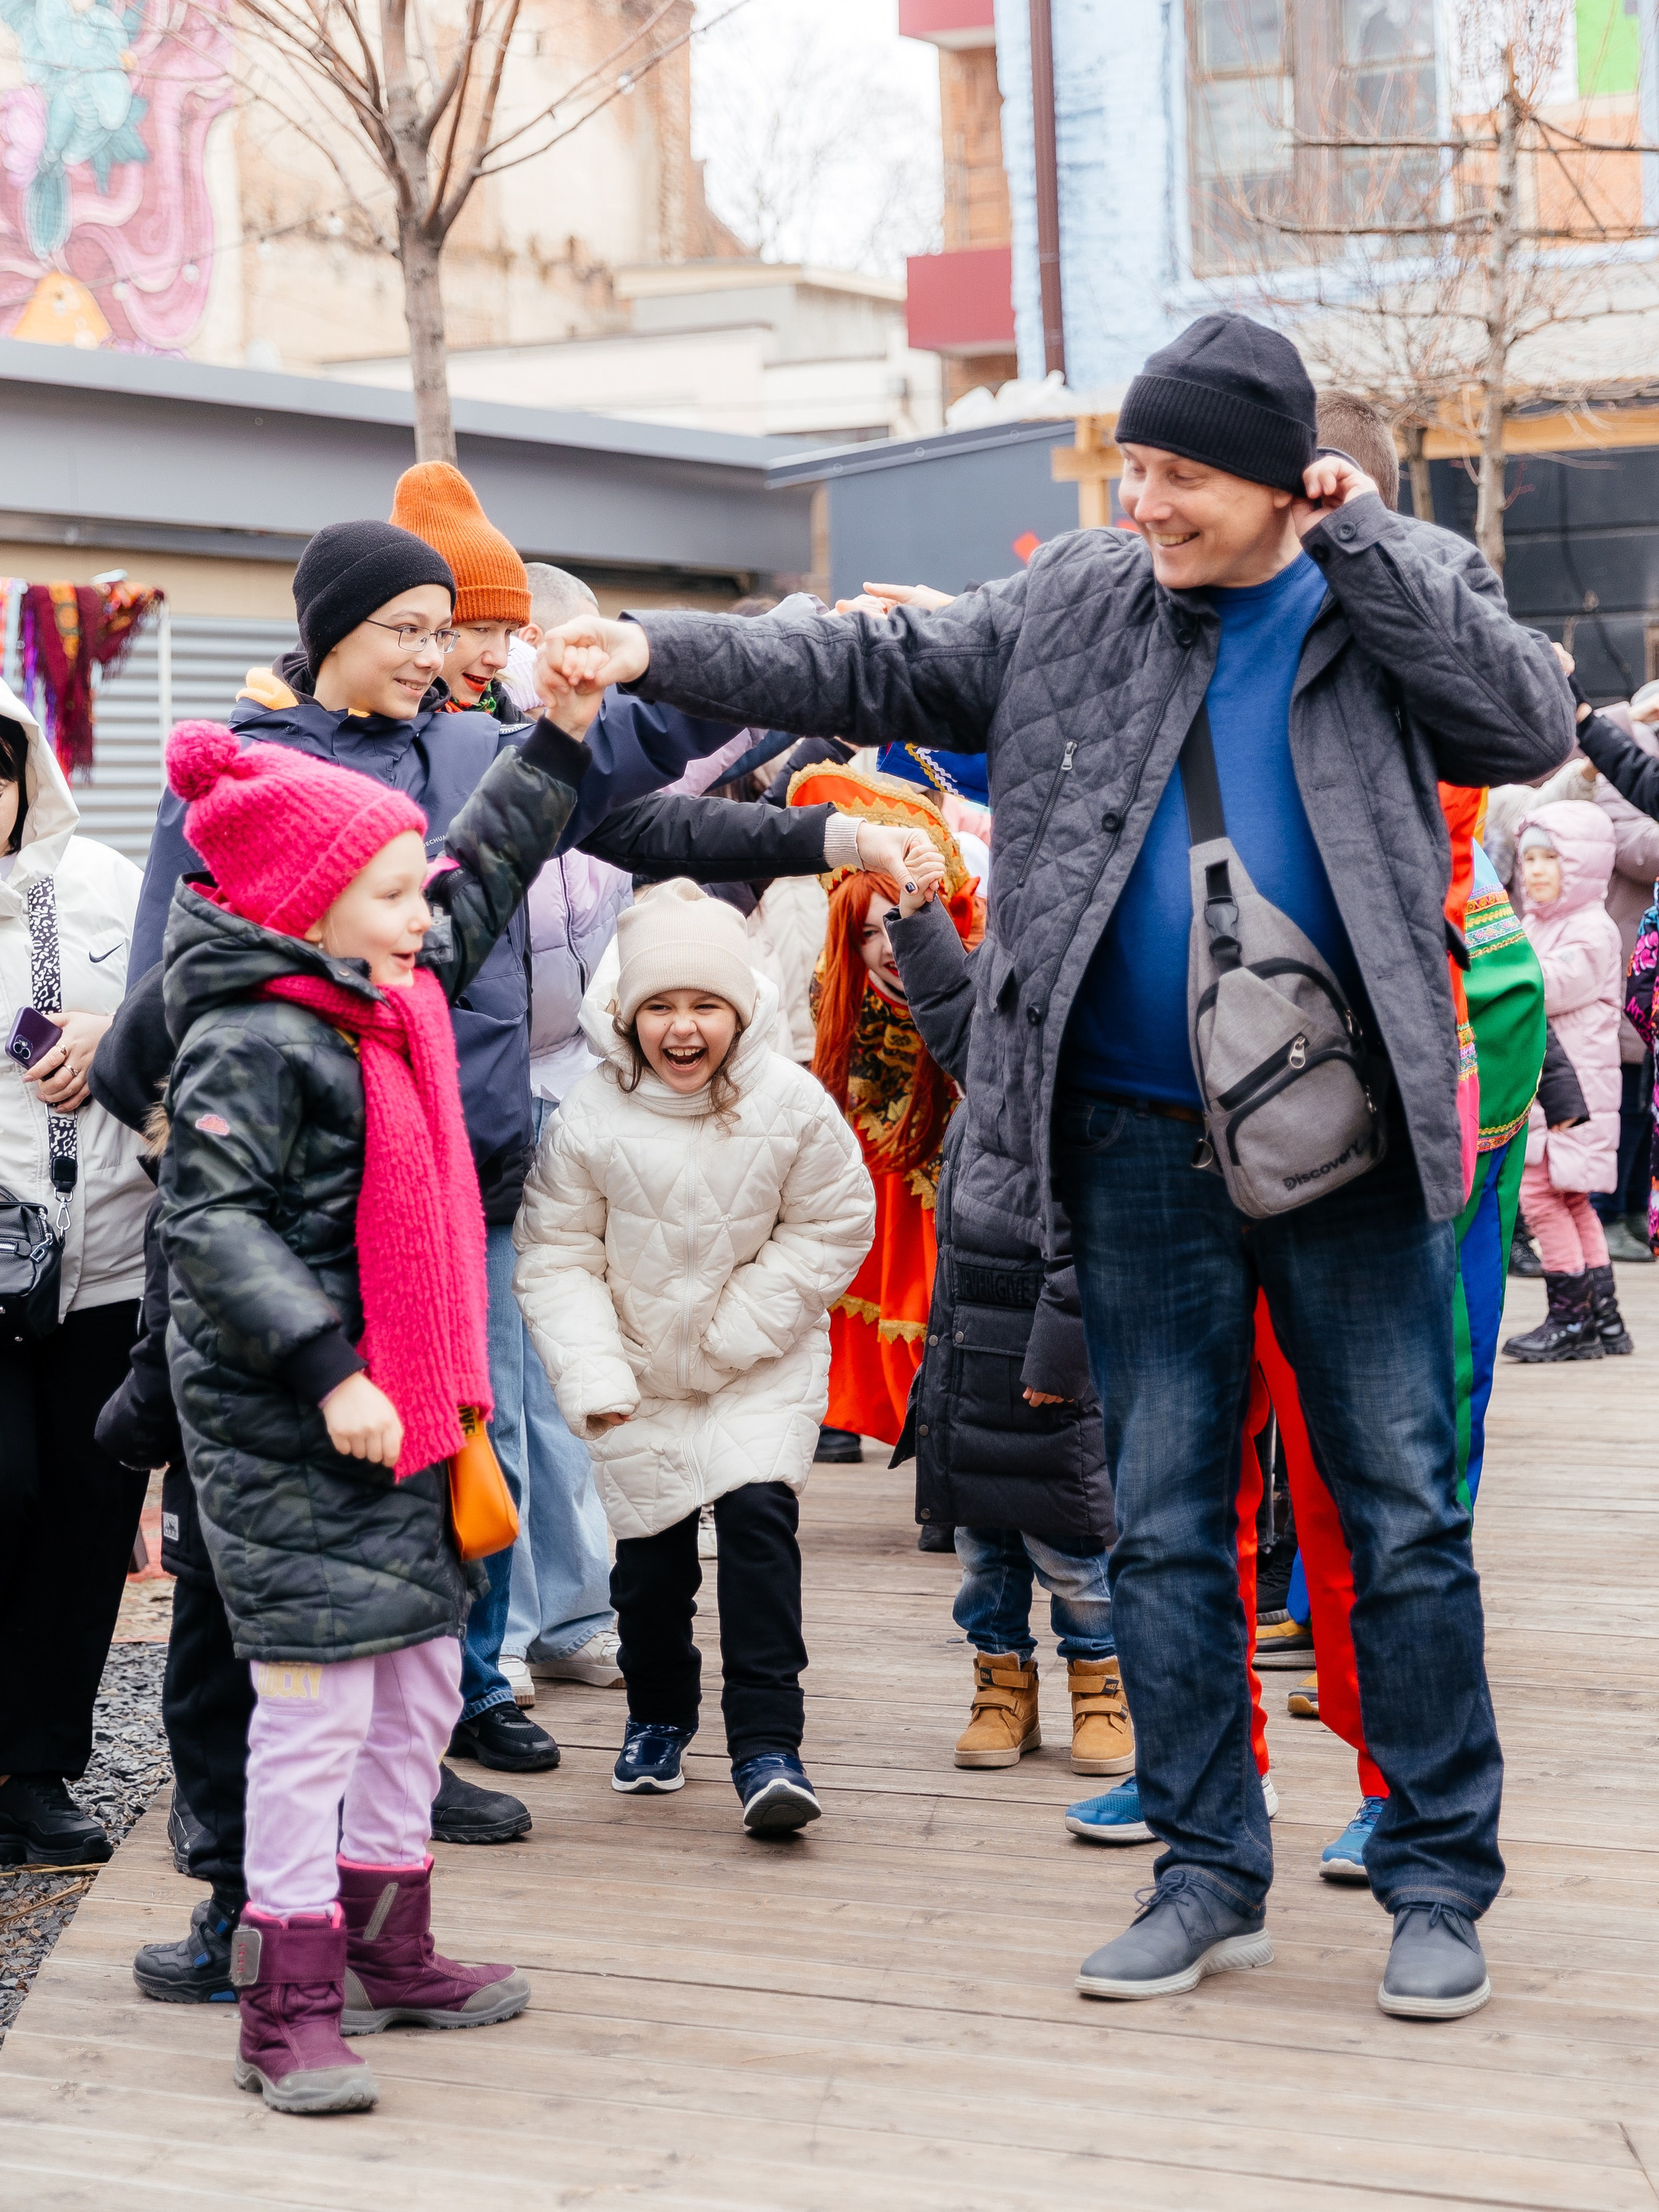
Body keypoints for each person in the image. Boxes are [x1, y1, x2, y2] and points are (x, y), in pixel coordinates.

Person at [536, 310, 1576, 2020]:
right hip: (1130, 1138)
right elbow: (872, 663)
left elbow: (1519, 715)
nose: (1142, 498)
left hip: (1355, 1140)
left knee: (1398, 1511)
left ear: (1270, 479)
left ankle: (1435, 1873)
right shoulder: (1088, 596)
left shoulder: (1378, 589)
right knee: (1162, 1516)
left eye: (1175, 472)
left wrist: (1367, 534)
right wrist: (650, 650)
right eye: (1136, 465)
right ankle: (1206, 1867)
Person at [154, 655, 594, 2112]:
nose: (429, 914)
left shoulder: (371, 994)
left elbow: (472, 890)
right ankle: (283, 1995)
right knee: (314, 1706)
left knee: (413, 1683)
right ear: (311, 902)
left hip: (405, 1403)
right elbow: (209, 1224)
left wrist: (560, 742)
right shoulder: (256, 1033)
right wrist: (330, 1366)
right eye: (398, 890)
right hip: (303, 1417)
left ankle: (392, 1943)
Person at [513, 879, 874, 1832]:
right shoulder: (590, 1115)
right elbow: (556, 1255)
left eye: (705, 1005)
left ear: (741, 1010)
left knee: (759, 1530)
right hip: (637, 1370)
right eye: (661, 1007)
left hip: (756, 1360)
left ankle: (768, 1744)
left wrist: (741, 1328)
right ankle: (658, 1714)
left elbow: (835, 1221)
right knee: (650, 1564)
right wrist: (595, 1374)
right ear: (626, 1016)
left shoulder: (789, 1103)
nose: (682, 1028)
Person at [885, 863, 1130, 1779]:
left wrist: (1062, 1355)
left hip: (1048, 1359)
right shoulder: (992, 1065)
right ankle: (1001, 1685)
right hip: (968, 1343)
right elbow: (951, 1010)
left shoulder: (1089, 1106)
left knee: (1073, 1554)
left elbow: (1085, 1243)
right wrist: (920, 919)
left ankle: (1100, 1686)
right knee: (983, 1551)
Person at [0, 681, 152, 1868]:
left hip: (106, 1259)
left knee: (87, 1509)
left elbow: (181, 995)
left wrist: (117, 1031)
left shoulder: (105, 881)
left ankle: (38, 1766)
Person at [789, 765, 965, 1465]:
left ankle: (945, 1456)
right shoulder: (834, 998)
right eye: (868, 934)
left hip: (945, 1168)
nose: (889, 948)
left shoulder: (967, 975)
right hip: (870, 1167)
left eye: (897, 925)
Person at [1502, 804, 1630, 1360]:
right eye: (1527, 859)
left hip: (1571, 1095)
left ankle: (1570, 1318)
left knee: (1542, 1195)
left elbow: (1544, 988)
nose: (1533, 871)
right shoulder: (1540, 924)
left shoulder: (1591, 929)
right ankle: (1603, 1316)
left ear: (1580, 865)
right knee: (1571, 1199)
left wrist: (1502, 967)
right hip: (1565, 1091)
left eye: (1549, 859)